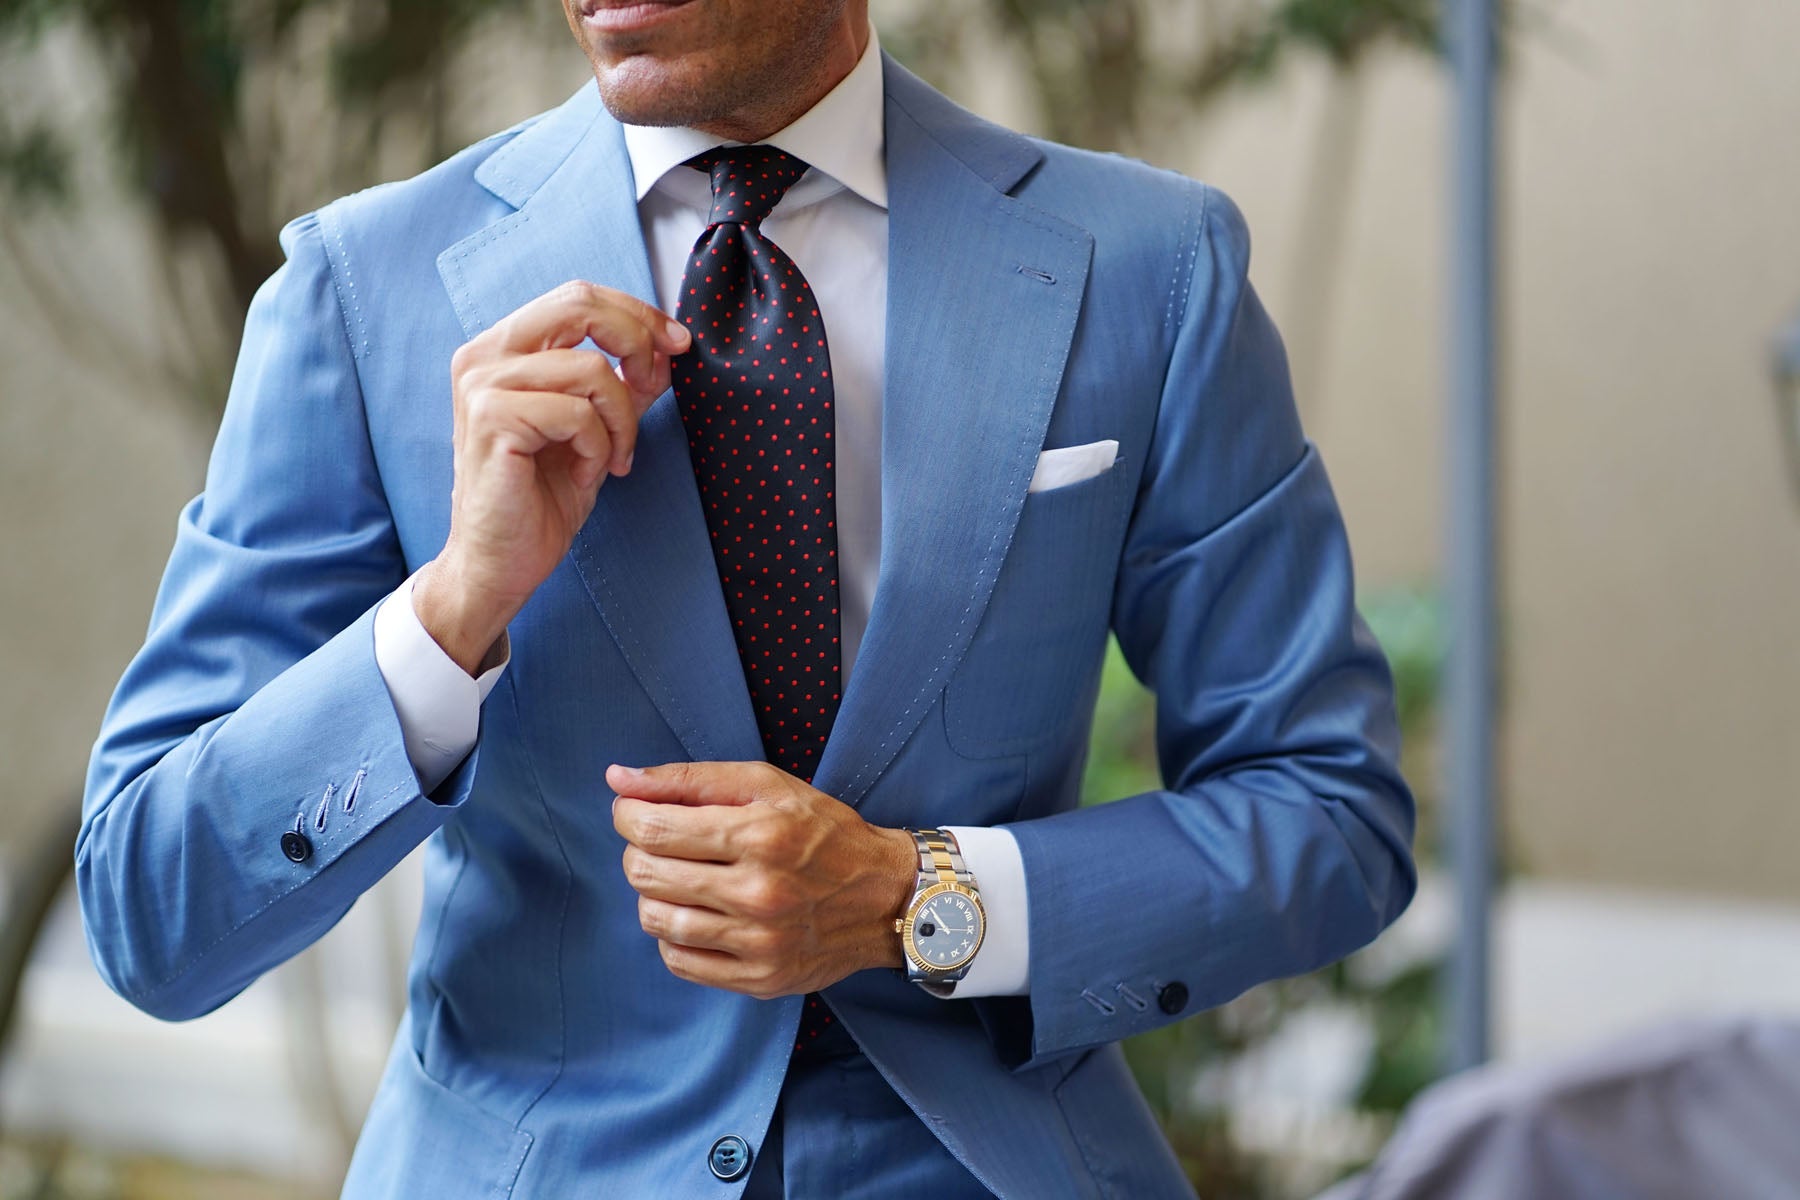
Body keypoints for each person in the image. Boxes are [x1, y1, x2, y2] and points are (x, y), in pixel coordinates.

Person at [77, 0, 1417, 1195]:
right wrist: (451, 612)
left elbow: (1326, 812)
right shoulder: (361, 290)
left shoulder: (1148, 268)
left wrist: (916, 899)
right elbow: (153, 910)